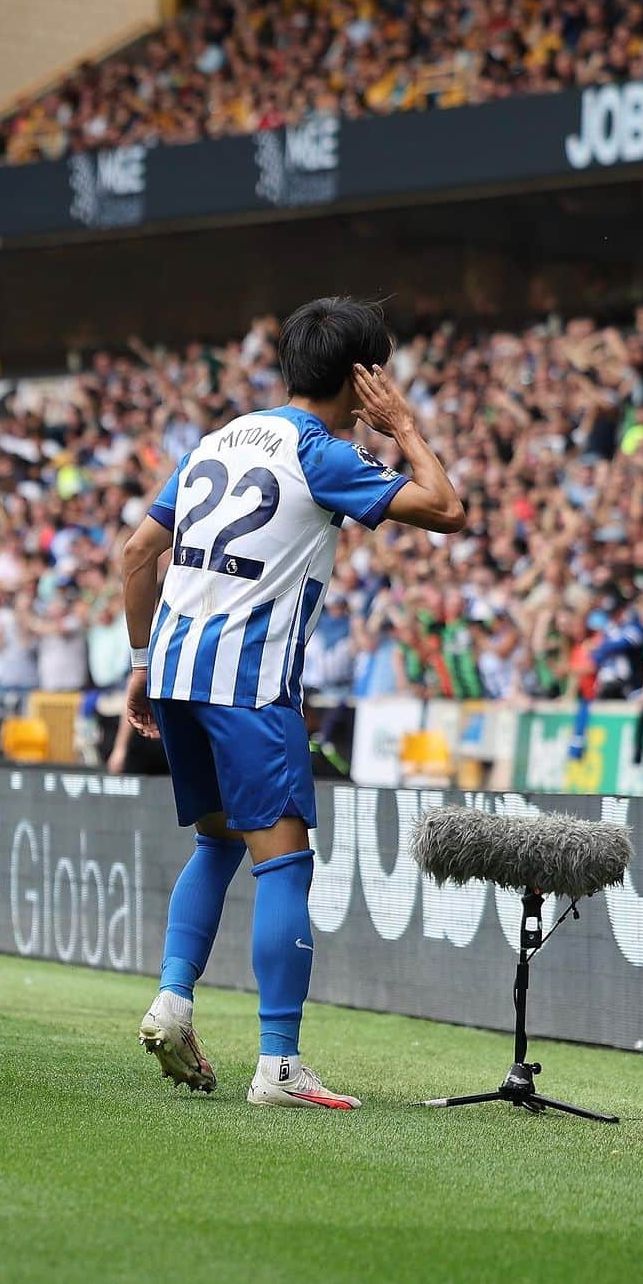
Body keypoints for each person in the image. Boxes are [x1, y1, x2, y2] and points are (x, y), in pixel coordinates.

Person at [122, 297, 464, 1109]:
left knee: (215, 844)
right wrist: (406, 428)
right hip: (247, 682)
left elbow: (139, 550)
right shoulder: (322, 452)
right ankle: (278, 1064)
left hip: (174, 667)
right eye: (381, 371)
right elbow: (447, 508)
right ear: (362, 378)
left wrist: (141, 660)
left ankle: (173, 1000)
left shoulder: (220, 438)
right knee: (285, 861)